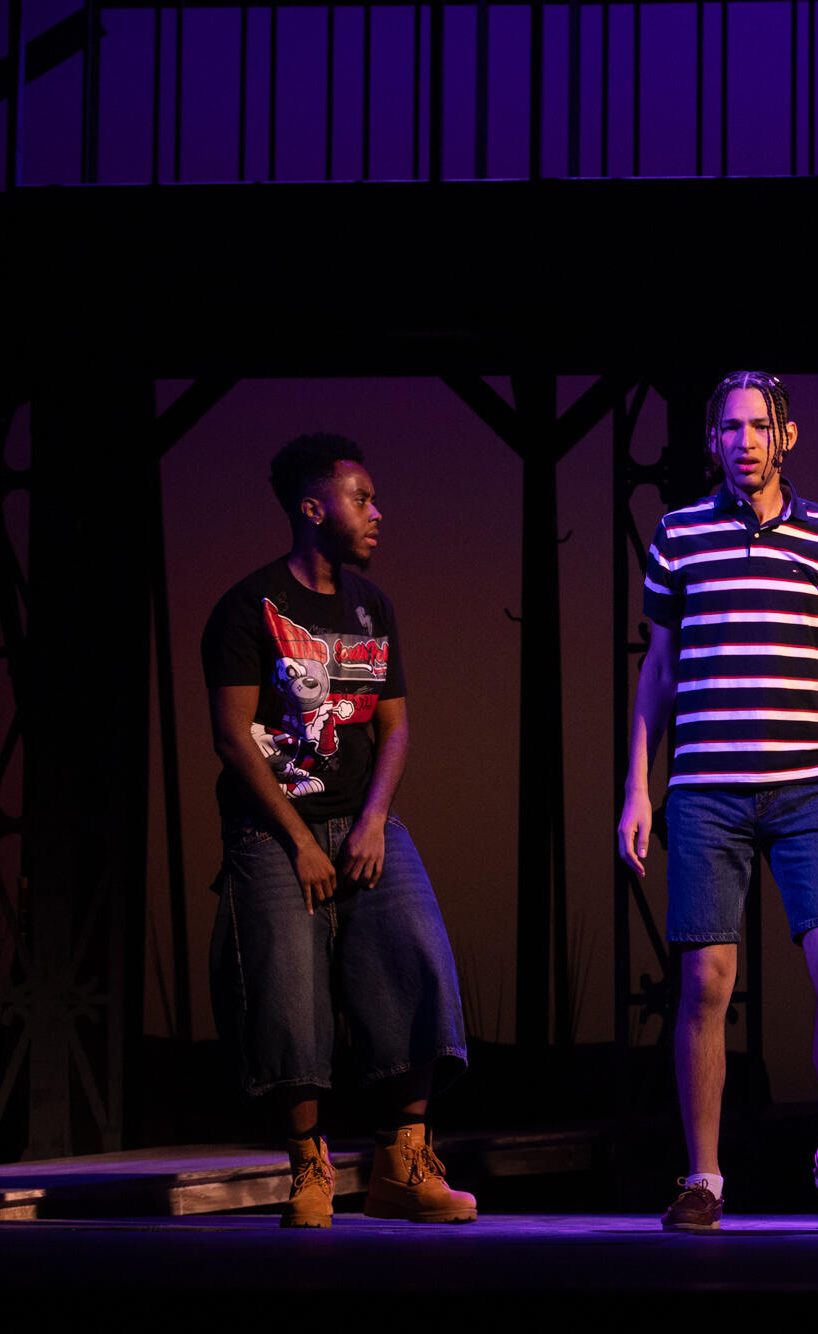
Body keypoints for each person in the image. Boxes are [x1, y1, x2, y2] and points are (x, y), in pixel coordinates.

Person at [619, 371, 818, 1230]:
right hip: (707, 786)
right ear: (713, 442)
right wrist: (638, 787)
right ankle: (703, 1177)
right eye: (730, 429)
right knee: (705, 981)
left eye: (759, 427)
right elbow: (659, 669)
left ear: (786, 436)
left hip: (810, 785)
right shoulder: (679, 535)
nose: (745, 442)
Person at [203, 432, 475, 1228]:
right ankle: (309, 1168)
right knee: (287, 987)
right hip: (273, 829)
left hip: (362, 822)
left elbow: (395, 728)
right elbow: (232, 737)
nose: (377, 513)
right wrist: (297, 841)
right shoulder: (247, 607)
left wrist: (375, 822)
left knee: (417, 955)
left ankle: (404, 1162)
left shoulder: (371, 606)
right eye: (362, 499)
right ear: (313, 509)